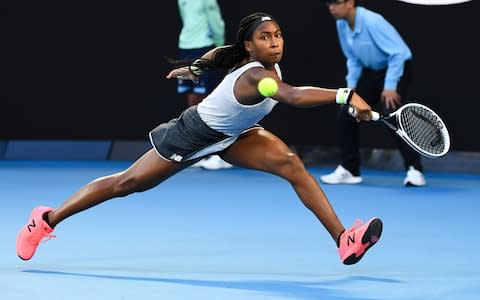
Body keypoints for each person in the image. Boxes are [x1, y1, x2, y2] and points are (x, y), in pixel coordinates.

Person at [16, 12, 382, 266]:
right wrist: (346, 94)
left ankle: (343, 240)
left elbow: (219, 53)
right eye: (264, 38)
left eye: (278, 35)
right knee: (126, 184)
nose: (274, 42)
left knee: (292, 165)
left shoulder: (256, 61)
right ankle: (46, 219)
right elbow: (293, 96)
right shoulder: (258, 78)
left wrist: (195, 67)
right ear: (250, 47)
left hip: (235, 135)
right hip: (191, 135)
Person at [320, 0, 426, 187]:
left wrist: (390, 86)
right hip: (372, 72)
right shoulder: (341, 24)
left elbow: (398, 54)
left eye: (336, 3)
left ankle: (414, 169)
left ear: (350, 2)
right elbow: (352, 58)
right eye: (329, 4)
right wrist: (350, 89)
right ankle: (350, 170)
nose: (331, 8)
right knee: (347, 114)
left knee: (392, 114)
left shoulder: (373, 21)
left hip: (396, 68)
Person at [176, 0, 231, 170]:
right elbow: (209, 23)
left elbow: (210, 21)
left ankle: (209, 152)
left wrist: (218, 46)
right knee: (200, 97)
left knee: (202, 97)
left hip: (195, 46)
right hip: (194, 47)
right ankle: (204, 152)